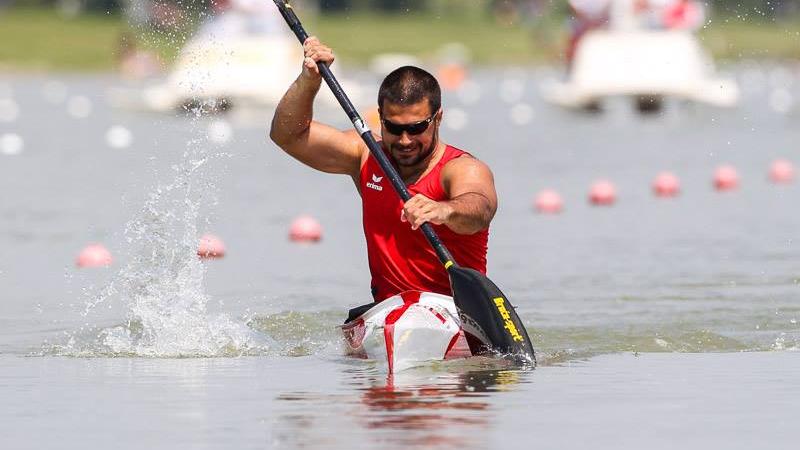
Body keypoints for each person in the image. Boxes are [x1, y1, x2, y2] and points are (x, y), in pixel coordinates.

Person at [269, 37, 497, 303]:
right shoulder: (366, 154)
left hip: (454, 311)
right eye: (393, 127)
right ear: (380, 116)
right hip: (388, 312)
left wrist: (445, 210)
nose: (404, 140)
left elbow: (480, 209)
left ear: (438, 118)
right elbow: (287, 135)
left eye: (416, 128)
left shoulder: (462, 169)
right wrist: (309, 82)